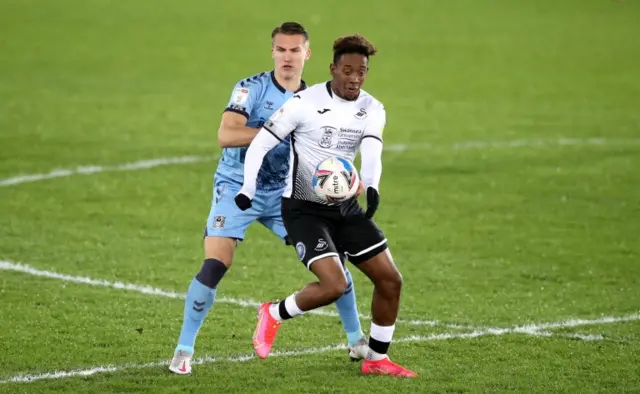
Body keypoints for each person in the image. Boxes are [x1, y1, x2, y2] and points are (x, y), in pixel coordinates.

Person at [169, 23, 369, 375]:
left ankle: (357, 342)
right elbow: (226, 134)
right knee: (216, 264)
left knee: (334, 261)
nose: (288, 57)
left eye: (295, 50)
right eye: (281, 49)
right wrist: (276, 131)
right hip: (236, 188)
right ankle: (184, 350)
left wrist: (347, 180)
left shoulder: (318, 101)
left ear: (307, 54)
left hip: (286, 194)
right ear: (273, 52)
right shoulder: (251, 89)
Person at [234, 34, 417, 377]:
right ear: (333, 68)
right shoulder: (303, 102)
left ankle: (376, 360)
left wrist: (372, 185)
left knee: (390, 280)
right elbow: (260, 144)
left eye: (361, 72)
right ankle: (273, 314)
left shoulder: (372, 108)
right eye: (347, 71)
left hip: (345, 206)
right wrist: (247, 187)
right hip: (303, 209)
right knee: (334, 286)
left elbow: (373, 149)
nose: (355, 78)